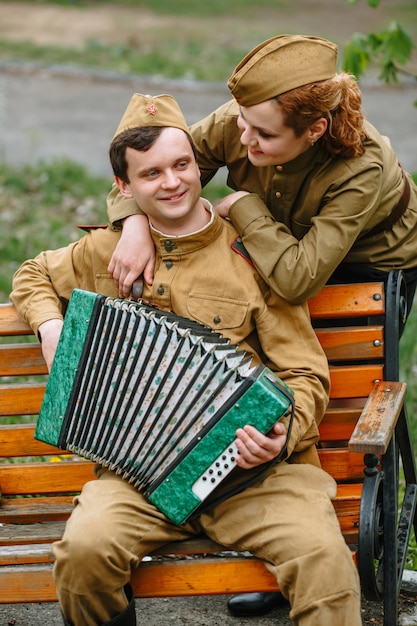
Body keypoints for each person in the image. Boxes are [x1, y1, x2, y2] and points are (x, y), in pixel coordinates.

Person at [10, 93, 361, 626]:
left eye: (181, 165)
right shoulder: (109, 250)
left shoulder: (253, 253)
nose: (173, 182)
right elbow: (32, 275)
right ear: (124, 188)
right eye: (151, 174)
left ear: (198, 166)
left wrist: (281, 430)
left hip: (257, 476)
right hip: (140, 480)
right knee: (82, 556)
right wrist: (50, 325)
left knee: (324, 561)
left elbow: (305, 372)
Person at [106, 34, 417, 327]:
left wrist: (244, 206)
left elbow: (298, 281)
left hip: (365, 263)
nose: (245, 138)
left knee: (340, 370)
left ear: (314, 130)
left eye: (265, 135)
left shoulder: (360, 170)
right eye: (243, 119)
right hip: (276, 246)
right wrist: (134, 225)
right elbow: (144, 166)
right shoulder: (247, 119)